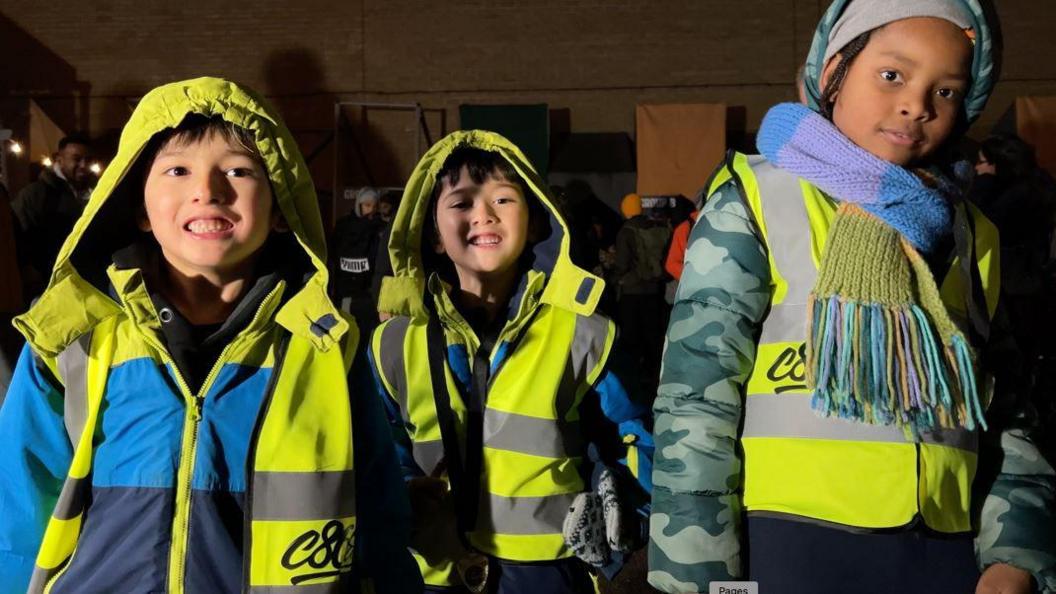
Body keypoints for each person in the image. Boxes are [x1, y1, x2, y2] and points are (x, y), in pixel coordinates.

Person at [649, 2, 1056, 594]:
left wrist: (1014, 554)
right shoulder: (757, 201)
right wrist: (698, 579)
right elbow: (694, 403)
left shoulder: (974, 235)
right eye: (892, 75)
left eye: (945, 91)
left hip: (945, 554)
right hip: (788, 549)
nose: (917, 104)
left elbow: (1007, 410)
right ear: (835, 69)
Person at [0, 77, 420, 594]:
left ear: (281, 206)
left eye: (240, 171)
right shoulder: (70, 342)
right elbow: (15, 515)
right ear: (138, 208)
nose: (208, 190)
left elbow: (379, 517)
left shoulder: (327, 351)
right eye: (178, 170)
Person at [369, 130, 654, 593]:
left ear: (537, 223)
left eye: (503, 199)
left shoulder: (585, 332)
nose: (482, 213)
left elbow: (636, 436)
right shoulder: (392, 343)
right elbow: (379, 448)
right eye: (461, 203)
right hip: (431, 573)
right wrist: (403, 496)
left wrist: (623, 499)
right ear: (434, 234)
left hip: (549, 572)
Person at [11, 133, 92, 299]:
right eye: (76, 159)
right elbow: (16, 236)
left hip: (84, 285)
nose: (84, 165)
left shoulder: (94, 193)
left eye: (87, 159)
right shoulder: (35, 194)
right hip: (46, 287)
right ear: (59, 159)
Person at [614, 193, 671, 389]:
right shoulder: (655, 227)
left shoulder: (626, 231)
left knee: (631, 336)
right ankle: (655, 374)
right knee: (653, 335)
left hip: (632, 291)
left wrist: (615, 276)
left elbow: (622, 263)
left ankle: (633, 378)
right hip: (655, 289)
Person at [331, 187, 385, 339]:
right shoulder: (344, 226)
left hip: (369, 293)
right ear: (359, 205)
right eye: (367, 205)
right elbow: (334, 253)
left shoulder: (379, 228)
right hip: (346, 292)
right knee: (347, 334)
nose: (371, 210)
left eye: (374, 206)